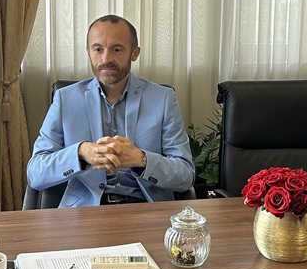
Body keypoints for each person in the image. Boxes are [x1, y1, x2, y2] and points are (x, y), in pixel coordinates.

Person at [27, 14, 195, 207]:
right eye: (98, 49)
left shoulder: (163, 99)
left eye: (116, 49)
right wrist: (80, 152)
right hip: (85, 212)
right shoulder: (65, 99)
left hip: (145, 208)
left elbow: (185, 174)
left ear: (134, 53)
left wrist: (141, 160)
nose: (106, 59)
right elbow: (35, 173)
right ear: (89, 53)